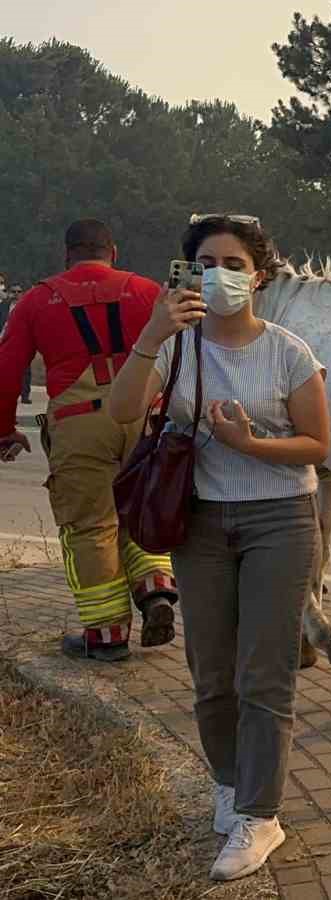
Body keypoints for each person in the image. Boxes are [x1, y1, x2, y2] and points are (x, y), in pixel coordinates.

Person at [107, 214, 329, 880]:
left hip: (279, 521)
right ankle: (231, 785)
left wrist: (249, 444)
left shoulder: (288, 351)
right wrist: (153, 331)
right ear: (187, 273)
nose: (220, 275)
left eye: (234, 264)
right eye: (207, 263)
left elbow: (318, 445)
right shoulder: (175, 347)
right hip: (199, 522)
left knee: (264, 673)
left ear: (259, 275)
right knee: (210, 673)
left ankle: (261, 816)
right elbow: (121, 412)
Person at [0, 220, 178, 662]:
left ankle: (107, 634)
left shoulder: (37, 300)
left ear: (67, 255)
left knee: (90, 526)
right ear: (112, 252)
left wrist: (4, 430)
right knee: (138, 508)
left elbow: (6, 371)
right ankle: (155, 587)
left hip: (78, 423)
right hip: (143, 412)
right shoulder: (146, 290)